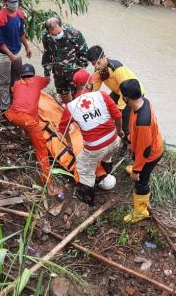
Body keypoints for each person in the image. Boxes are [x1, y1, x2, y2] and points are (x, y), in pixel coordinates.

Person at [58, 70, 123, 206]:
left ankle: (88, 197)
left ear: (76, 86)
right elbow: (117, 116)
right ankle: (107, 168)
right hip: (114, 140)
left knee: (83, 166)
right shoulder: (102, 95)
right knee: (107, 153)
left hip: (95, 148)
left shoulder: (71, 106)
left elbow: (63, 129)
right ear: (89, 83)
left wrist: (69, 143)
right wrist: (119, 131)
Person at [5, 64, 60, 195]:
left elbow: (14, 91)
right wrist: (48, 71)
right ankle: (49, 185)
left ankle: (24, 132)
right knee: (41, 150)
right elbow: (48, 79)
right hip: (28, 120)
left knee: (25, 122)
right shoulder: (38, 80)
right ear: (33, 74)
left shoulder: (17, 84)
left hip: (11, 115)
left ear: (21, 76)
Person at [86, 46, 144, 156]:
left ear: (104, 57)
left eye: (98, 63)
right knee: (105, 109)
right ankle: (110, 134)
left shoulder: (118, 69)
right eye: (94, 64)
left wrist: (119, 109)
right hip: (118, 92)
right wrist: (89, 98)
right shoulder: (98, 70)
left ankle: (126, 144)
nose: (97, 67)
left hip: (131, 93)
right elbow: (96, 86)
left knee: (124, 122)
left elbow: (125, 90)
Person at [119, 79, 163, 223]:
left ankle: (140, 212)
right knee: (139, 165)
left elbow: (145, 150)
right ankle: (137, 169)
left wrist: (137, 171)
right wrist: (131, 141)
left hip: (150, 155)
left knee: (141, 183)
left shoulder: (143, 122)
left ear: (126, 98)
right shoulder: (143, 101)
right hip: (147, 145)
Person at [0, 0, 32, 114]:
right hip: (4, 54)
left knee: (16, 80)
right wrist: (10, 55)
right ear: (5, 1)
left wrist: (27, 46)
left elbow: (21, 33)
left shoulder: (20, 15)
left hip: (17, 51)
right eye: (12, 1)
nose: (15, 4)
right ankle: (5, 108)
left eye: (16, 1)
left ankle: (16, 104)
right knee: (5, 81)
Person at [41, 17, 89, 104]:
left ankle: (78, 114)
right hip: (58, 72)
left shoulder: (74, 34)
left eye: (59, 33)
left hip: (75, 73)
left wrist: (79, 71)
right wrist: (47, 73)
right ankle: (68, 110)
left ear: (61, 26)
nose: (57, 36)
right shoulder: (46, 37)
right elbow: (47, 54)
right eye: (54, 35)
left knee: (78, 97)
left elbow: (85, 54)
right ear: (48, 32)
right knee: (63, 93)